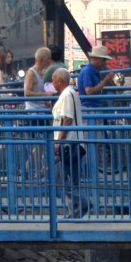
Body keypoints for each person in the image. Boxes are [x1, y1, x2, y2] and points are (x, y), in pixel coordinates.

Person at [50, 66, 90, 217]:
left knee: (60, 178)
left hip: (69, 143)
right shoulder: (72, 93)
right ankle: (75, 211)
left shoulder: (66, 94)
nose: (52, 83)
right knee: (72, 180)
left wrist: (58, 142)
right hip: (75, 142)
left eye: (53, 80)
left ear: (59, 81)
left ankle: (84, 203)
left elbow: (67, 118)